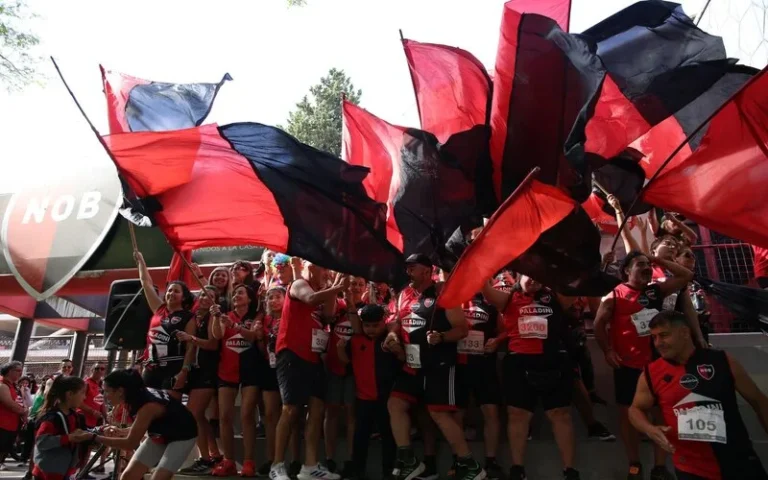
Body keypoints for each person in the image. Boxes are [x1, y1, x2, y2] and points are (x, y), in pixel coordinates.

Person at [630, 310, 768, 480]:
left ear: (685, 333)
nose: (658, 343)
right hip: (691, 468)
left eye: (664, 335)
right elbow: (635, 409)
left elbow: (759, 401)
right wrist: (648, 429)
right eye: (654, 337)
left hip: (738, 460)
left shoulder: (722, 361)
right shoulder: (651, 373)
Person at [594, 251, 693, 480]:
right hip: (628, 366)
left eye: (649, 265)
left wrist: (657, 260)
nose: (647, 268)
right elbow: (599, 324)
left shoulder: (655, 290)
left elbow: (686, 275)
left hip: (659, 365)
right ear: (627, 270)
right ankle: (634, 464)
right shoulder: (615, 295)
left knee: (661, 414)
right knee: (628, 416)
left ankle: (659, 467)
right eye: (641, 264)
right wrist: (607, 350)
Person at [386, 254, 485, 480]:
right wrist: (392, 336)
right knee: (395, 403)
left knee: (439, 414)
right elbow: (396, 323)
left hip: (437, 365)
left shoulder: (443, 292)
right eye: (407, 268)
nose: (408, 272)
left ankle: (469, 464)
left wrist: (441, 336)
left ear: (427, 271)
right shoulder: (404, 295)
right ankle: (408, 459)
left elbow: (461, 329)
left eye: (413, 268)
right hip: (411, 365)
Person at [482, 276, 581, 480]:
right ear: (519, 275)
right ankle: (517, 469)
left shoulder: (556, 295)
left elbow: (577, 284)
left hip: (553, 360)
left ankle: (570, 471)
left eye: (539, 275)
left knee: (560, 414)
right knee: (518, 415)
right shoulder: (508, 297)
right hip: (518, 363)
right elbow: (484, 287)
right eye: (530, 274)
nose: (535, 279)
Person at [269, 261, 348, 480]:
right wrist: (337, 287)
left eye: (328, 268)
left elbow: (329, 315)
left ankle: (310, 466)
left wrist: (334, 286)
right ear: (310, 268)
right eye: (323, 268)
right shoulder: (299, 284)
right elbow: (311, 299)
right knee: (291, 410)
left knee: (317, 409)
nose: (327, 272)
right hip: (292, 354)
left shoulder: (322, 291)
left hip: (313, 358)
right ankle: (277, 465)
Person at [95, 369, 198, 480]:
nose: (104, 395)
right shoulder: (136, 395)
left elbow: (129, 444)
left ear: (120, 391)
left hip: (183, 436)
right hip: (161, 432)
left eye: (106, 391)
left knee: (159, 478)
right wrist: (123, 431)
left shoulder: (148, 406)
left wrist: (94, 437)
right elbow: (144, 425)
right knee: (128, 476)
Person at [338, 303, 401, 480]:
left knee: (389, 436)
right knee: (360, 437)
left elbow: (402, 361)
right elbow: (346, 363)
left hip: (386, 398)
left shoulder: (389, 340)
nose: (371, 329)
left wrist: (398, 351)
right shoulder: (356, 341)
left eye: (375, 325)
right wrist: (340, 349)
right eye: (367, 325)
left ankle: (389, 471)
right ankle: (358, 471)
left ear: (383, 322)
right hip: (363, 398)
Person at [211, 284, 265, 477]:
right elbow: (217, 335)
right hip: (226, 371)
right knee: (225, 417)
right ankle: (229, 462)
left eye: (240, 293)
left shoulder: (256, 316)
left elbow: (253, 337)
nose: (236, 296)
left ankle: (249, 462)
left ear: (249, 298)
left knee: (246, 416)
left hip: (251, 371)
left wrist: (234, 326)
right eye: (234, 294)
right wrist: (217, 318)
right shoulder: (225, 314)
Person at [455, 292, 505, 479]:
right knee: (457, 413)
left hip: (484, 365)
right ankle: (460, 460)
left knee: (491, 412)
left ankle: (491, 462)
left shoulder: (490, 302)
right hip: (459, 365)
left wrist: (497, 341)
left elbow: (504, 330)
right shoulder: (454, 299)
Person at [134, 250, 195, 395]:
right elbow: (146, 283)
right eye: (169, 290)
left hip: (174, 366)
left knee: (169, 409)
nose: (171, 293)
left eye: (176, 291)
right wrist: (141, 261)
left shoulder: (188, 317)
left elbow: (191, 348)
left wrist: (184, 372)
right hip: (151, 367)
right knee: (148, 407)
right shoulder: (158, 308)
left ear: (184, 297)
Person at [177, 286, 223, 475]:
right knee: (199, 415)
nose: (205, 298)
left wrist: (191, 338)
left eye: (211, 296)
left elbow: (213, 344)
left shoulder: (214, 315)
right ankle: (214, 454)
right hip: (195, 371)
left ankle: (205, 459)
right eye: (203, 294)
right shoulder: (194, 316)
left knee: (193, 413)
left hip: (208, 371)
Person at [33, 376, 92, 480]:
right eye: (82, 393)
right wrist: (68, 438)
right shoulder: (52, 418)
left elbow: (81, 433)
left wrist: (99, 431)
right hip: (48, 473)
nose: (84, 397)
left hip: (65, 470)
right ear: (69, 394)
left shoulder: (75, 416)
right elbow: (42, 442)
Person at [81, 363, 108, 474]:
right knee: (81, 448)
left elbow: (102, 404)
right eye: (96, 368)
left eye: (102, 369)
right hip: (82, 419)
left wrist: (107, 418)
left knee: (88, 447)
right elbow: (78, 402)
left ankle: (83, 472)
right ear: (91, 370)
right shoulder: (85, 383)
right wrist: (91, 411)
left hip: (93, 422)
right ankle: (78, 472)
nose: (99, 370)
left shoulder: (99, 386)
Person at [0, 361, 26, 465]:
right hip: (2, 425)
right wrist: (24, 411)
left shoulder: (13, 386)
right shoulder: (2, 385)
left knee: (4, 451)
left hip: (11, 425)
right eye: (18, 371)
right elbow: (9, 403)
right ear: (10, 371)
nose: (20, 373)